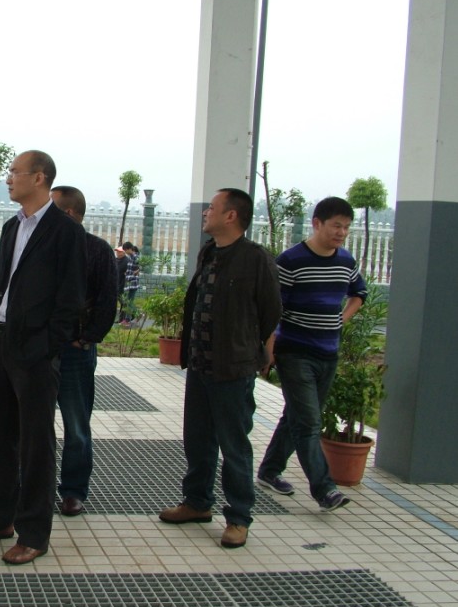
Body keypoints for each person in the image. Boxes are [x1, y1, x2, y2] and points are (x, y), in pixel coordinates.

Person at [0, 150, 86, 565]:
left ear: (39, 177)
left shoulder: (65, 232)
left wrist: (47, 345)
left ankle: (33, 533)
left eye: (15, 172)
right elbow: (3, 283)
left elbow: (71, 299)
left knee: (35, 445)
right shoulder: (13, 226)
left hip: (35, 352)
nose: (9, 178)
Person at [159, 188, 281, 549]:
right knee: (198, 439)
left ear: (231, 216)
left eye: (212, 208)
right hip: (200, 365)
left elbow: (271, 311)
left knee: (234, 444)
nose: (205, 212)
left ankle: (239, 517)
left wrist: (249, 347)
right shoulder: (209, 252)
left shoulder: (255, 258)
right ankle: (197, 502)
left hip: (233, 369)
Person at [256, 196, 367, 511]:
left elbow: (359, 293)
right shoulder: (291, 261)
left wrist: (340, 320)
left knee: (297, 415)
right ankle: (325, 489)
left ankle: (269, 470)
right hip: (295, 352)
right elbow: (274, 309)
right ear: (317, 223)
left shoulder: (346, 261)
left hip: (328, 353)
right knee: (308, 422)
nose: (341, 233)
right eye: (336, 226)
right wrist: (269, 351)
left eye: (346, 227)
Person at [49, 186, 118, 516]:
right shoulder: (41, 246)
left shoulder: (97, 250)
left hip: (76, 350)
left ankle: (74, 491)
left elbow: (107, 300)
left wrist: (87, 338)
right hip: (41, 349)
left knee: (76, 425)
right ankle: (34, 485)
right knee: (32, 423)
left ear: (69, 214)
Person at [119, 243, 140, 327]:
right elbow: (131, 268)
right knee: (128, 301)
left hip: (133, 282)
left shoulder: (135, 257)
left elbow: (141, 266)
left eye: (125, 250)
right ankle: (131, 318)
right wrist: (127, 273)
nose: (125, 252)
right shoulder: (131, 257)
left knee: (129, 302)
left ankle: (128, 319)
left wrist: (135, 272)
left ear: (128, 249)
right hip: (129, 282)